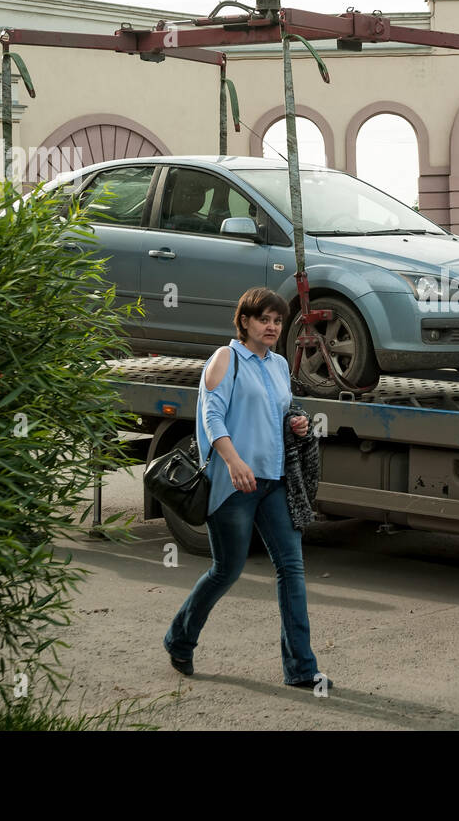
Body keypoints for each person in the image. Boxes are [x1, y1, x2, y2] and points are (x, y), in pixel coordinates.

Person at [164, 287, 329, 689]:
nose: (272, 326)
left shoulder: (276, 365)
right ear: (244, 322)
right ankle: (180, 638)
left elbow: (281, 410)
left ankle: (301, 668)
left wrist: (296, 422)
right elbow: (210, 418)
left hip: (274, 481)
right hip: (233, 483)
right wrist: (234, 462)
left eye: (277, 320)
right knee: (227, 570)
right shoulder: (226, 359)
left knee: (291, 570)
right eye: (263, 319)